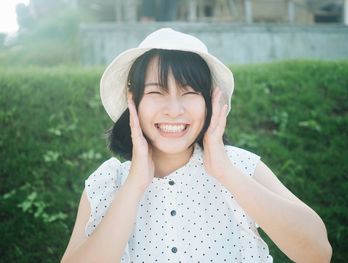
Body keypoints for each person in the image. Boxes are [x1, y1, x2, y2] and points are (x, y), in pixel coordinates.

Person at [61, 28, 332, 262]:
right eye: (156, 92)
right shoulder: (108, 184)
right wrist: (134, 185)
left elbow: (318, 254)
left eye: (189, 92)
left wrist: (225, 171)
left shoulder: (240, 166)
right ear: (133, 101)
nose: (174, 109)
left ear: (210, 102)